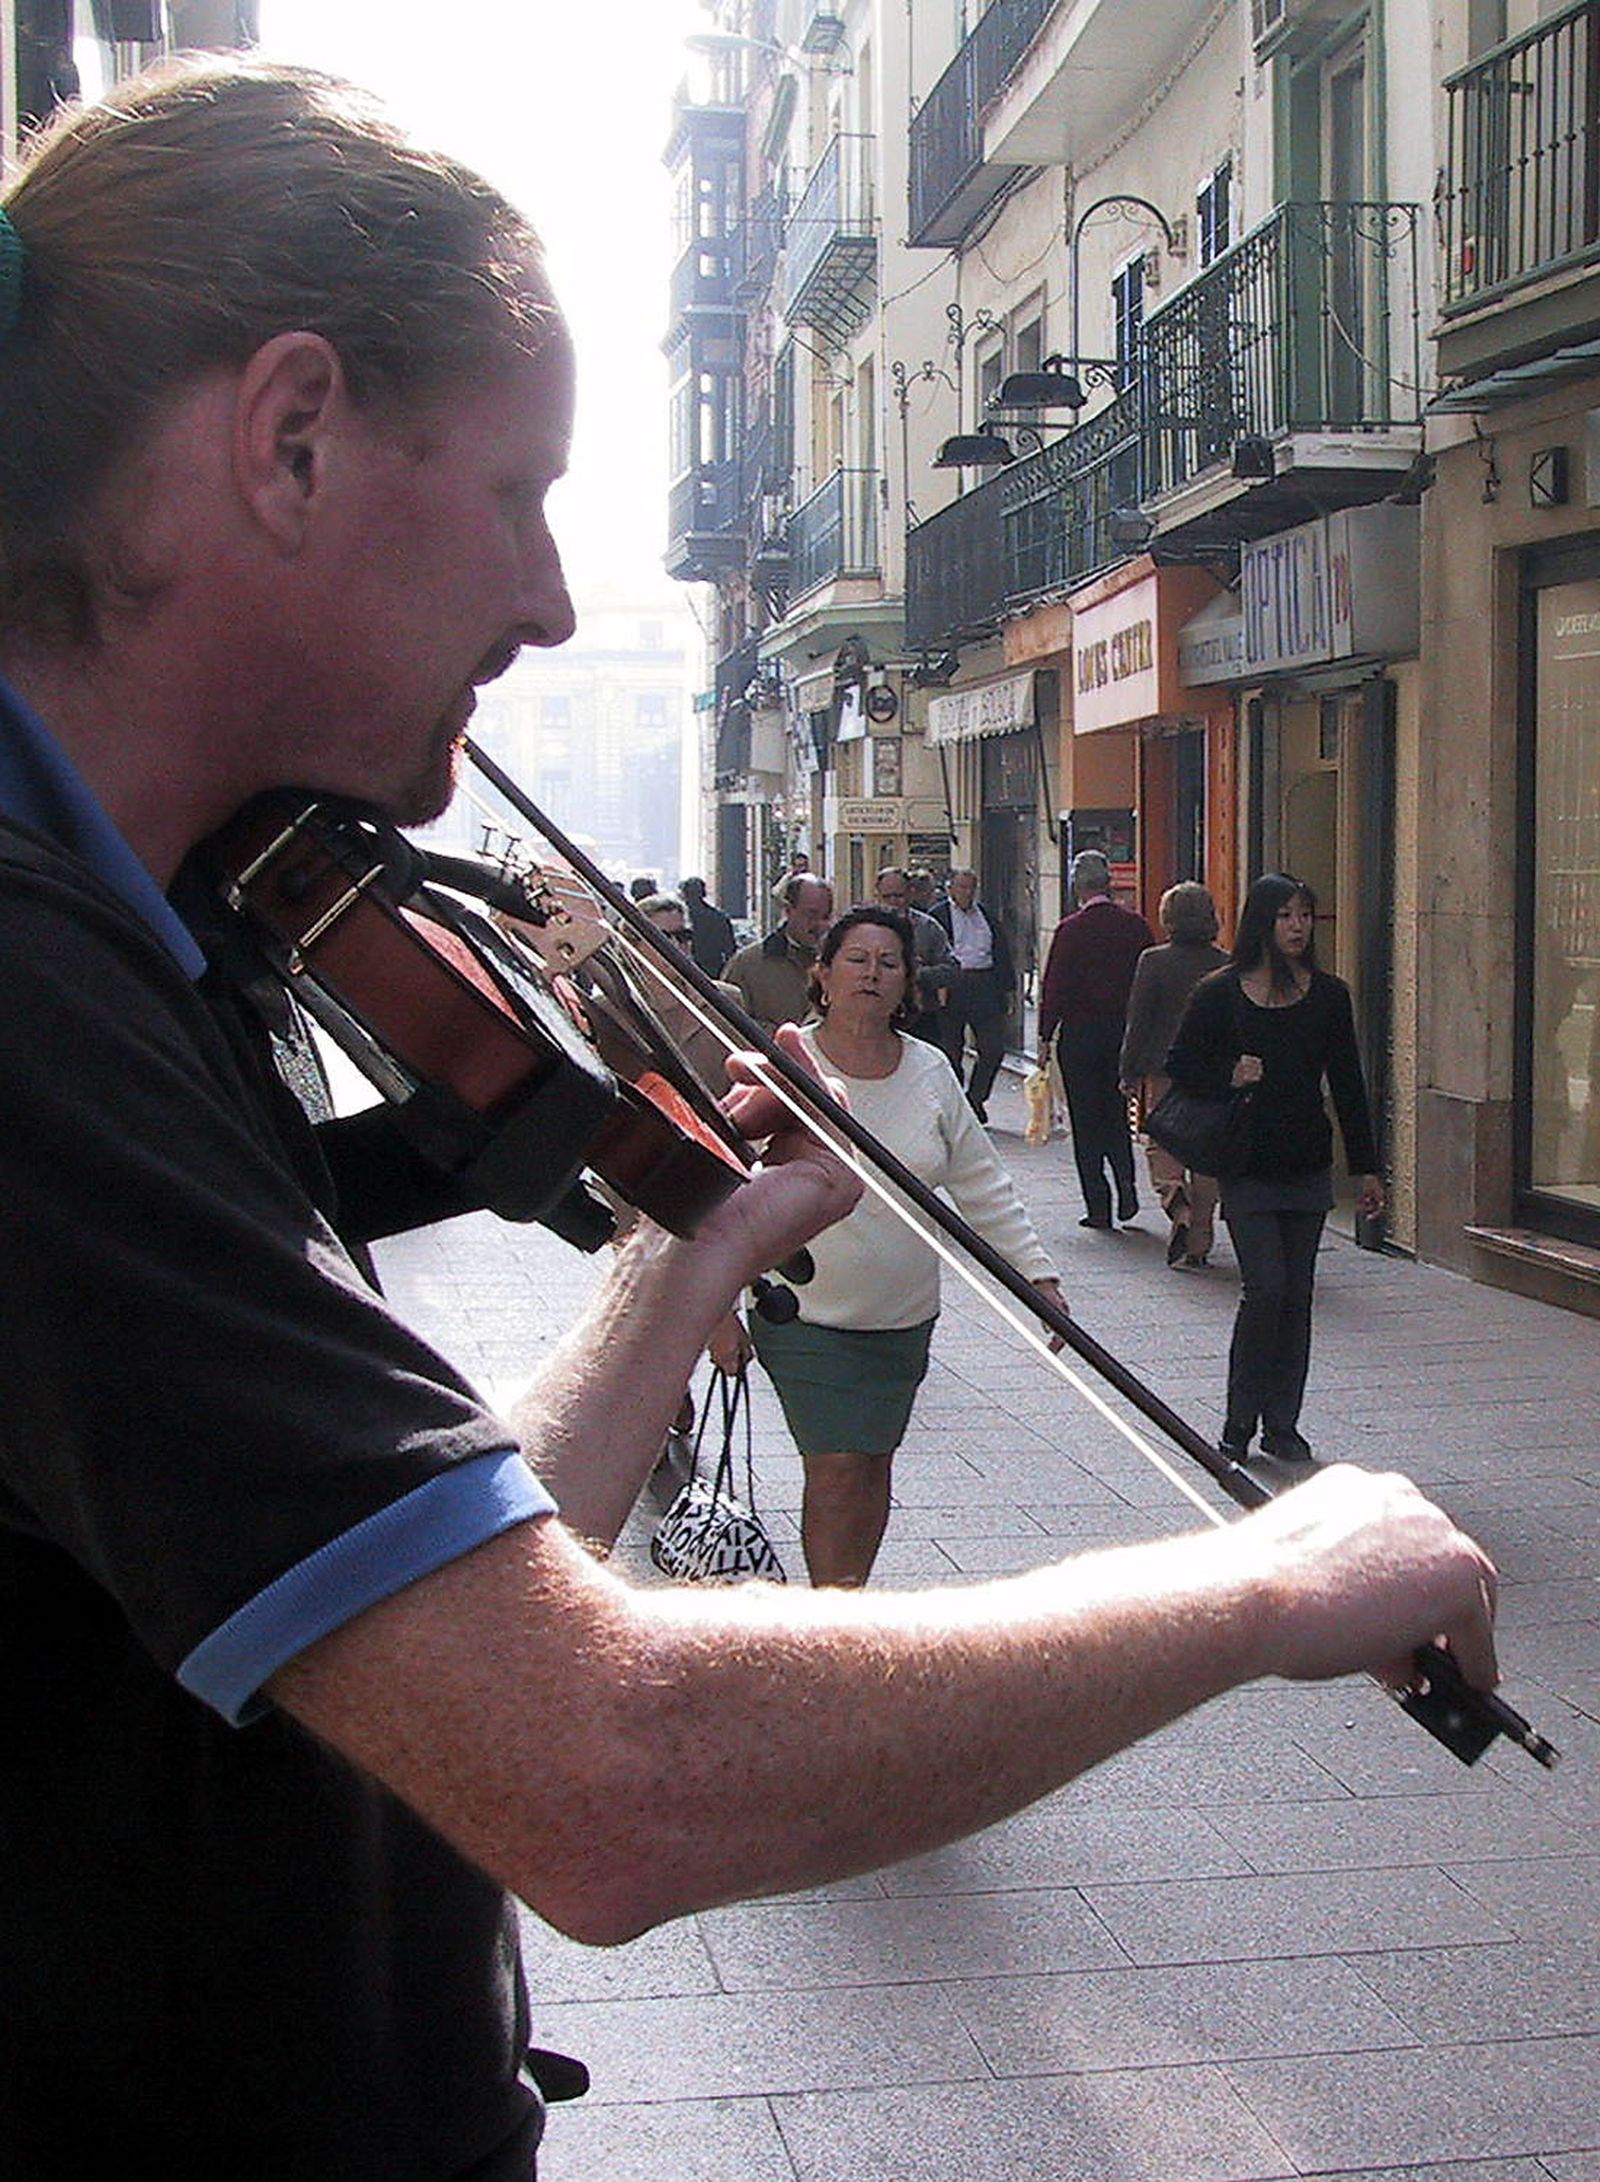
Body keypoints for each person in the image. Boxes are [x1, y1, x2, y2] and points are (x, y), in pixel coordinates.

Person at [0, 59, 1500, 2179]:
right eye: (520, 491)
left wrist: (682, 1241)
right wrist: (1259, 1585)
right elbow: (594, 1771)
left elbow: (434, 1599)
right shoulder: (38, 997)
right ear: (290, 435)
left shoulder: (161, 938)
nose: (539, 596)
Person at [733, 908, 1064, 1587]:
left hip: (902, 1315)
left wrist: (1037, 1277)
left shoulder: (930, 1069)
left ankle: (850, 1591)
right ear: (822, 974)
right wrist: (713, 1312)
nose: (873, 974)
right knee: (836, 1463)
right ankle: (834, 1620)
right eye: (857, 959)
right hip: (804, 1313)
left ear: (906, 982)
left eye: (889, 963)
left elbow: (981, 1182)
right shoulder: (786, 1063)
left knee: (873, 1460)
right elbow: (725, 1185)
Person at [1164, 873, 1386, 1467]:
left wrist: (1367, 1169)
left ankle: (1282, 1424)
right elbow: (1180, 1066)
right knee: (1265, 1289)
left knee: (1298, 1295)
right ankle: (1239, 1422)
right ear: (1262, 921)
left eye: (1305, 916)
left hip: (1306, 1162)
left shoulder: (1329, 996)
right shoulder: (1220, 992)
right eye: (1285, 915)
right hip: (1247, 1163)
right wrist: (1227, 1074)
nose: (1296, 927)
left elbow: (1348, 1085)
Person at [1038, 848, 1156, 1230]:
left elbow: (1054, 987)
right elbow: (1147, 983)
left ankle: (1098, 1205)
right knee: (1117, 1114)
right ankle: (1127, 1186)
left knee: (1086, 1119)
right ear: (1108, 884)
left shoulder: (1070, 931)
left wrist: (1044, 1036)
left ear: (1077, 888)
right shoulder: (1135, 927)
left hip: (1081, 1036)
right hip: (1123, 1033)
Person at [1119, 881, 1231, 1267]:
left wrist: (1129, 1070)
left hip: (1163, 1068)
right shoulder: (1224, 964)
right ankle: (1199, 1239)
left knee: (1161, 1140)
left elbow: (1139, 1020)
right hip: (1214, 1073)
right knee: (1205, 1152)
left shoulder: (1153, 961)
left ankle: (1174, 1200)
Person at [931, 864, 1016, 1122]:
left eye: (971, 888)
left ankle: (975, 1098)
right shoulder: (938, 916)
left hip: (985, 985)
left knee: (992, 1048)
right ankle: (957, 1104)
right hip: (953, 985)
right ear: (950, 889)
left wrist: (1008, 990)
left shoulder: (986, 915)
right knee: (950, 1050)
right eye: (962, 887)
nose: (967, 893)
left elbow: (1001, 952)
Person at [722, 871, 833, 1032]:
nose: (819, 925)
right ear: (788, 911)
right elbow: (725, 1023)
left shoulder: (840, 965)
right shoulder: (747, 965)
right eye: (811, 914)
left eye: (826, 916)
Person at [872, 863, 959, 1044]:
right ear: (877, 896)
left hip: (921, 1017)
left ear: (910, 893)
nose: (893, 902)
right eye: (887, 897)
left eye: (899, 896)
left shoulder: (928, 928)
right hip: (876, 1016)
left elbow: (952, 969)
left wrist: (917, 975)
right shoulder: (864, 929)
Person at [680, 872, 736, 977]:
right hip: (713, 968)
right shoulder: (719, 917)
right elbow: (730, 949)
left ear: (684, 894)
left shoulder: (679, 919)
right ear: (703, 893)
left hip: (686, 967)